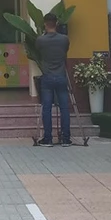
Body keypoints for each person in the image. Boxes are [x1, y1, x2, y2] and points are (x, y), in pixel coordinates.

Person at [35, 13, 71, 147]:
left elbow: (39, 52)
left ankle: (48, 138)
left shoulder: (41, 40)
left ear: (45, 24)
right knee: (64, 108)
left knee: (47, 108)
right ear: (56, 23)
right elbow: (65, 51)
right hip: (61, 76)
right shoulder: (64, 39)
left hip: (47, 77)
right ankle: (66, 138)